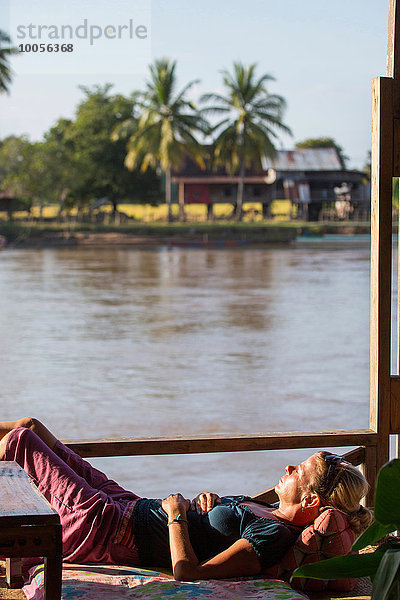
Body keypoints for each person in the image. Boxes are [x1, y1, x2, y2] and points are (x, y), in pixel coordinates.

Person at [0, 418, 372, 581]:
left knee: (21, 442)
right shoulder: (269, 511)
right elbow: (214, 528)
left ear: (309, 502)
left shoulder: (272, 537)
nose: (289, 467)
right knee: (32, 427)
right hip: (128, 503)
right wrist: (205, 501)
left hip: (112, 527)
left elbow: (188, 572)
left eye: (298, 471)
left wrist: (177, 515)